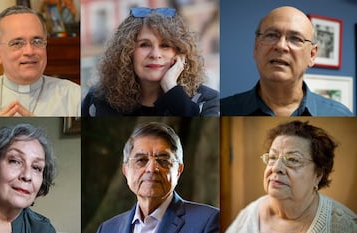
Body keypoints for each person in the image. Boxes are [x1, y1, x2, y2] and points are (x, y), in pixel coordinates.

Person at [82, 7, 219, 116]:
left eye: (165, 45)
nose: (155, 54)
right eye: (144, 45)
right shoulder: (98, 100)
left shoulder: (208, 101)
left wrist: (171, 87)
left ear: (180, 53)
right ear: (127, 53)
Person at [226, 120, 357, 232]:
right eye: (272, 157)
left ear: (318, 175)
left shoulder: (344, 225)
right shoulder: (250, 214)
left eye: (293, 160)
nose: (276, 168)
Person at [220, 6, 353, 116]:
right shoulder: (222, 110)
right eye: (271, 35)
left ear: (312, 55)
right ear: (256, 47)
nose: (281, 46)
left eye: (295, 38)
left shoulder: (340, 114)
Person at [97, 122, 219, 232]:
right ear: (125, 170)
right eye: (141, 160)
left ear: (178, 170)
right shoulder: (108, 228)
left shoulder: (208, 221)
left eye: (163, 160)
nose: (151, 169)